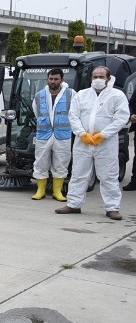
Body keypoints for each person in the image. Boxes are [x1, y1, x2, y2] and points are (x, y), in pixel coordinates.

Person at [56, 66, 130, 220]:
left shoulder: (117, 95)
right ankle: (74, 204)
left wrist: (103, 135)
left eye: (101, 76)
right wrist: (82, 133)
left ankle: (112, 208)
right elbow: (73, 116)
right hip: (83, 142)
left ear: (108, 78)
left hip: (106, 143)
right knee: (78, 174)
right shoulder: (82, 95)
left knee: (108, 175)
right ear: (90, 78)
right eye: (95, 76)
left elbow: (121, 118)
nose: (98, 79)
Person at [30, 68, 75, 202]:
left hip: (63, 135)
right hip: (44, 134)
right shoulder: (39, 95)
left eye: (56, 79)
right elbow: (37, 112)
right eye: (51, 78)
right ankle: (40, 190)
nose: (53, 81)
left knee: (61, 162)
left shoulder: (71, 94)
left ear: (62, 80)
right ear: (47, 79)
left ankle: (57, 191)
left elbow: (75, 113)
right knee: (41, 161)